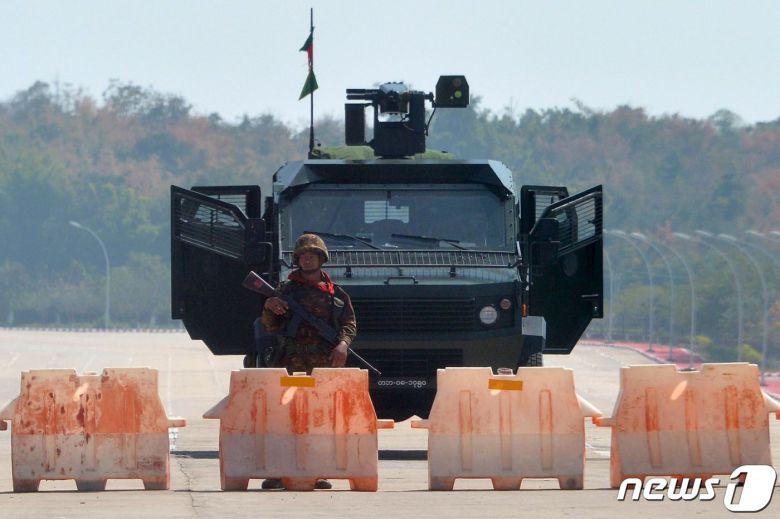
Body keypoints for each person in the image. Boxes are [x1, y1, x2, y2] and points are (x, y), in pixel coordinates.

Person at [259, 233, 357, 490]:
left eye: (312, 255)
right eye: (302, 256)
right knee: (284, 418)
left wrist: (343, 345)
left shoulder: (336, 294)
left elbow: (349, 324)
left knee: (319, 419)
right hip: (291, 364)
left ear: (321, 259)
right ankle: (278, 473)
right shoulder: (286, 291)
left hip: (321, 366)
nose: (307, 260)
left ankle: (317, 472)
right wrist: (270, 305)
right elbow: (270, 327)